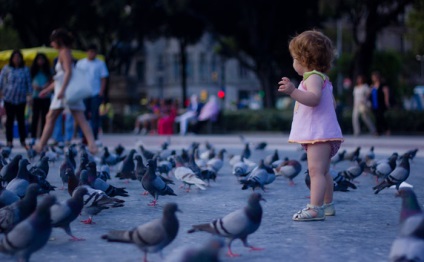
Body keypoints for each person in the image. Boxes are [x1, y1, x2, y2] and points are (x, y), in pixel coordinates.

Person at [278, 30, 343, 221]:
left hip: (319, 134)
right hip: (324, 133)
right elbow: (331, 103)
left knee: (315, 172)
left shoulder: (313, 77)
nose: (293, 62)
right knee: (323, 171)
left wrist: (292, 92)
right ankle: (328, 205)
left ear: (304, 59)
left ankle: (315, 208)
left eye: (294, 58)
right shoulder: (322, 78)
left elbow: (313, 99)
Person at [33, 28, 97, 154]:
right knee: (76, 118)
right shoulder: (64, 52)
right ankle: (92, 145)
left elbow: (68, 72)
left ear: (59, 41)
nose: (51, 44)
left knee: (57, 117)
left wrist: (61, 91)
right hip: (63, 90)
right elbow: (61, 76)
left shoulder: (64, 52)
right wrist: (48, 89)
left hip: (65, 91)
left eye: (53, 41)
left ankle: (40, 145)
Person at [0, 50, 32, 148]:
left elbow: (28, 83)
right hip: (9, 98)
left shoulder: (25, 69)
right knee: (9, 120)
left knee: (21, 120)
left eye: (18, 58)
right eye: (15, 57)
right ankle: (9, 141)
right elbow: (1, 81)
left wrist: (30, 95)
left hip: (21, 99)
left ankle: (23, 140)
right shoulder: (6, 69)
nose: (17, 60)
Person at [76, 44, 109, 141]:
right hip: (84, 93)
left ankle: (94, 135)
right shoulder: (81, 63)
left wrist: (101, 91)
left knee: (95, 115)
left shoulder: (100, 63)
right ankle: (83, 136)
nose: (92, 54)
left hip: (95, 93)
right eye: (90, 52)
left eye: (94, 52)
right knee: (83, 116)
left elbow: (103, 78)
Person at [30, 53, 53, 141]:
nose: (40, 61)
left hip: (46, 96)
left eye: (42, 59)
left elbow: (52, 80)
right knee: (35, 116)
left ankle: (42, 136)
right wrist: (34, 86)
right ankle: (33, 136)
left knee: (45, 116)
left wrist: (46, 86)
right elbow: (30, 80)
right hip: (36, 95)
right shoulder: (33, 70)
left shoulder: (48, 70)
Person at [370, 71, 391, 136]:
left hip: (381, 103)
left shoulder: (383, 85)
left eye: (374, 77)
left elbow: (386, 94)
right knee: (377, 117)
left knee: (381, 117)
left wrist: (387, 102)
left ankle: (386, 129)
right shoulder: (373, 86)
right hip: (374, 104)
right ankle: (379, 131)